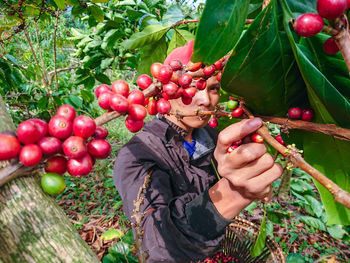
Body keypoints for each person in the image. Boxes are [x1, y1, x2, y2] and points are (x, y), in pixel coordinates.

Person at [113, 41, 283, 263]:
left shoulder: (213, 137)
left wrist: (256, 180)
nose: (206, 100)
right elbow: (156, 245)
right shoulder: (137, 155)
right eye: (192, 88)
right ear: (166, 91)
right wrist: (234, 194)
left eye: (212, 88)